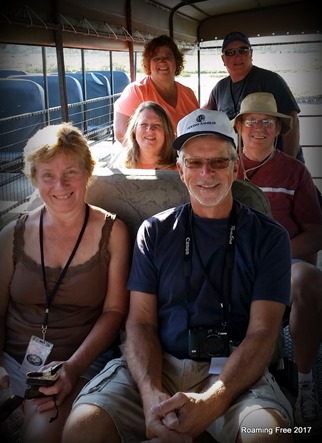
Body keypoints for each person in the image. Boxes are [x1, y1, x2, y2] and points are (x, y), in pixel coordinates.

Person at [62, 109, 294, 443]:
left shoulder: (270, 238)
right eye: (194, 163)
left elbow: (262, 333)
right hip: (159, 362)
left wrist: (213, 401)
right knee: (83, 429)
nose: (206, 173)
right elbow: (140, 322)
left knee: (270, 435)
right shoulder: (153, 232)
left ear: (235, 167)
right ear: (181, 171)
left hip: (234, 370)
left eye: (218, 161)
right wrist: (150, 395)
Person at [0, 122, 131, 443]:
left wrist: (73, 367)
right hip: (10, 362)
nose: (60, 184)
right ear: (33, 178)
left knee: (42, 434)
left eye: (70, 172)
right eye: (47, 175)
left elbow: (114, 312)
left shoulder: (113, 233)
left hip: (76, 362)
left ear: (88, 173)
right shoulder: (11, 235)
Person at [233, 92, 322, 438]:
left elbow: (316, 233)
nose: (258, 128)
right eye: (251, 121)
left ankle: (305, 382)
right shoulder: (224, 166)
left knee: (310, 280)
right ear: (239, 127)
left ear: (278, 129)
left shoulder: (296, 172)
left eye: (266, 121)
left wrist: (275, 254)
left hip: (285, 262)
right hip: (234, 262)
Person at [203, 31, 302, 161]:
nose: (237, 56)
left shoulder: (270, 80)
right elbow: (205, 117)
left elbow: (292, 120)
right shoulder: (219, 88)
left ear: (251, 53)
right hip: (240, 165)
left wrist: (289, 161)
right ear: (223, 59)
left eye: (243, 50)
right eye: (230, 52)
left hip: (276, 162)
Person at [114, 34, 199, 143]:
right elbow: (121, 133)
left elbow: (198, 128)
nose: (162, 62)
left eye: (168, 57)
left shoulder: (188, 93)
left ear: (177, 61)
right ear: (148, 64)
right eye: (156, 58)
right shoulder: (136, 91)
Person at [109, 101, 177, 170]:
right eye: (144, 124)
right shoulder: (119, 165)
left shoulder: (181, 168)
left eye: (157, 124)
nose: (150, 129)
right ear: (134, 131)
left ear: (166, 132)